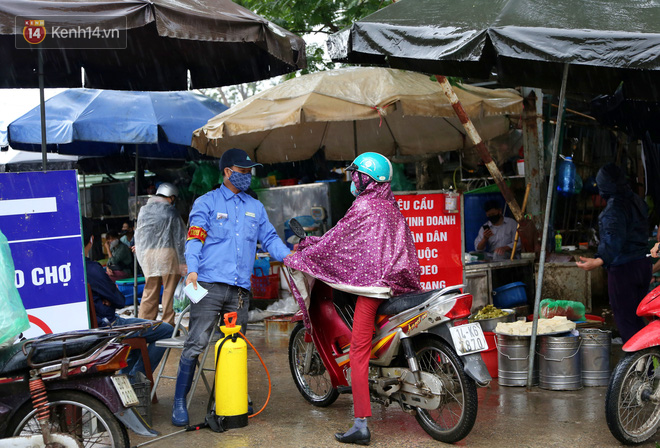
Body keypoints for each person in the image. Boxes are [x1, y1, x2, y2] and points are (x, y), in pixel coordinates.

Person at [285, 152, 422, 445]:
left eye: (354, 174)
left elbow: (336, 242)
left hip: (373, 290)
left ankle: (360, 423)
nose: (351, 179)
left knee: (358, 352)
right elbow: (348, 242)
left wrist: (306, 252)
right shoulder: (389, 207)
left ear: (364, 178)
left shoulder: (363, 206)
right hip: (398, 286)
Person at [172, 148, 292, 427]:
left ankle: (225, 397)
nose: (247, 176)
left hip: (240, 291)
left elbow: (271, 239)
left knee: (232, 344)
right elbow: (194, 239)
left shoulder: (255, 207)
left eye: (250, 171)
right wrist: (191, 271)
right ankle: (180, 400)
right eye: (242, 171)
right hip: (208, 286)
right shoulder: (207, 202)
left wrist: (290, 257)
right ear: (227, 172)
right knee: (197, 343)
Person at [83, 218, 173, 379]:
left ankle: (128, 379)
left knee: (138, 332)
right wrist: (109, 297)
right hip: (109, 328)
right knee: (166, 330)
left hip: (87, 330)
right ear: (91, 240)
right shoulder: (92, 269)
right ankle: (135, 380)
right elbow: (119, 301)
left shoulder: (65, 271)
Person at [576, 163, 650, 343]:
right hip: (643, 264)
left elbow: (613, 238)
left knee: (626, 319)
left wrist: (599, 260)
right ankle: (647, 361)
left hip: (625, 269)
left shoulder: (614, 208)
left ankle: (638, 365)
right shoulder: (636, 200)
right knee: (638, 315)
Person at [134, 182, 187, 326]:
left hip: (148, 254)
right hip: (167, 253)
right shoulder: (171, 211)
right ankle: (167, 323)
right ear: (170, 197)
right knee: (169, 289)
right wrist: (183, 261)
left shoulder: (144, 210)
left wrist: (139, 249)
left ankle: (144, 323)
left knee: (150, 288)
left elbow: (139, 233)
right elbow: (179, 238)